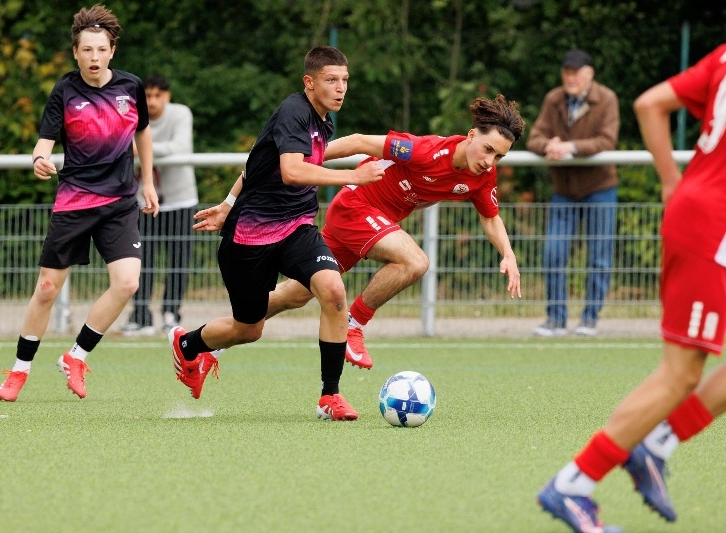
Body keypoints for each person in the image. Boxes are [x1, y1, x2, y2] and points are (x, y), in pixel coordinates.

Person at [537, 44, 726, 532]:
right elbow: (647, 104)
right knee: (680, 374)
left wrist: (672, 183)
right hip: (713, 225)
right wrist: (673, 186)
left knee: (682, 373)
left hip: (704, 213)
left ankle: (656, 445)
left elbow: (650, 103)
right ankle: (573, 484)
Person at [168, 46, 385, 420]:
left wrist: (226, 202)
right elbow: (291, 171)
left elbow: (256, 162)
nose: (340, 88)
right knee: (248, 329)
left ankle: (330, 396)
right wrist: (353, 175)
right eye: (331, 80)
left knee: (333, 290)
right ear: (309, 82)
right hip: (249, 239)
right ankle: (187, 344)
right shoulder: (293, 112)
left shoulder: (323, 122)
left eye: (345, 80)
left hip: (297, 227)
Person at [264, 94, 524, 369]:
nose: (490, 161)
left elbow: (490, 218)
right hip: (355, 207)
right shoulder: (424, 150)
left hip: (369, 223)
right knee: (415, 262)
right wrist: (305, 158)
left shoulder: (482, 176)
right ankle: (352, 325)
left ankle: (232, 327)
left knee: (295, 294)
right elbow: (359, 142)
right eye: (488, 149)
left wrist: (508, 254)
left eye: (499, 156)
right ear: (471, 136)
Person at [0, 4, 158, 402]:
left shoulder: (131, 87)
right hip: (75, 201)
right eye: (87, 50)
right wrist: (39, 159)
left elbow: (142, 133)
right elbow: (44, 142)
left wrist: (149, 182)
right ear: (75, 52)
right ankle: (19, 370)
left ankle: (76, 356)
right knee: (47, 288)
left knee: (128, 282)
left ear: (112, 51)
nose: (94, 57)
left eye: (101, 49)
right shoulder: (65, 90)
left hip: (120, 202)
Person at [527, 49, 620, 337]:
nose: (570, 78)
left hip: (600, 188)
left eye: (576, 73)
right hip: (564, 190)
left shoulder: (607, 99)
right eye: (566, 72)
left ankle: (589, 319)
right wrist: (549, 146)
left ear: (589, 74)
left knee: (599, 257)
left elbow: (607, 140)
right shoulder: (553, 99)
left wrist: (572, 147)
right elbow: (534, 137)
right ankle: (555, 319)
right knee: (553, 252)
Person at [122, 74, 198, 336]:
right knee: (140, 260)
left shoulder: (180, 114)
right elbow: (119, 149)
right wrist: (138, 150)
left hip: (179, 199)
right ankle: (140, 315)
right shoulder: (130, 116)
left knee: (178, 260)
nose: (152, 101)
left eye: (157, 95)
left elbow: (180, 147)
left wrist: (141, 148)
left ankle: (171, 313)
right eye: (147, 96)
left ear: (167, 96)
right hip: (142, 200)